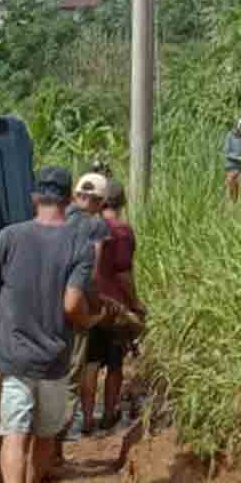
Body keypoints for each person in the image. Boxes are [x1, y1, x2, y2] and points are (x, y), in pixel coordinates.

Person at [0, 166, 97, 483]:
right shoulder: (80, 245)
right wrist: (88, 320)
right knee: (45, 432)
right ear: (68, 200)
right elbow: (73, 304)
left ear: (34, 197)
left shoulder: (9, 236)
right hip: (54, 358)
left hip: (12, 354)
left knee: (15, 431)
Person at [80, 178, 146, 432]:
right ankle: (108, 413)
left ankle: (86, 418)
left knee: (91, 362)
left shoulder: (88, 226)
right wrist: (135, 303)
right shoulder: (122, 231)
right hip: (116, 306)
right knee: (115, 361)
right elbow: (123, 273)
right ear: (123, 202)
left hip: (91, 302)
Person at [58, 171, 110, 449]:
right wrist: (96, 310)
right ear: (100, 202)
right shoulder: (96, 227)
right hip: (76, 307)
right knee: (71, 375)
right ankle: (54, 446)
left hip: (45, 307)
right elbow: (93, 273)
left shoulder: (57, 217)